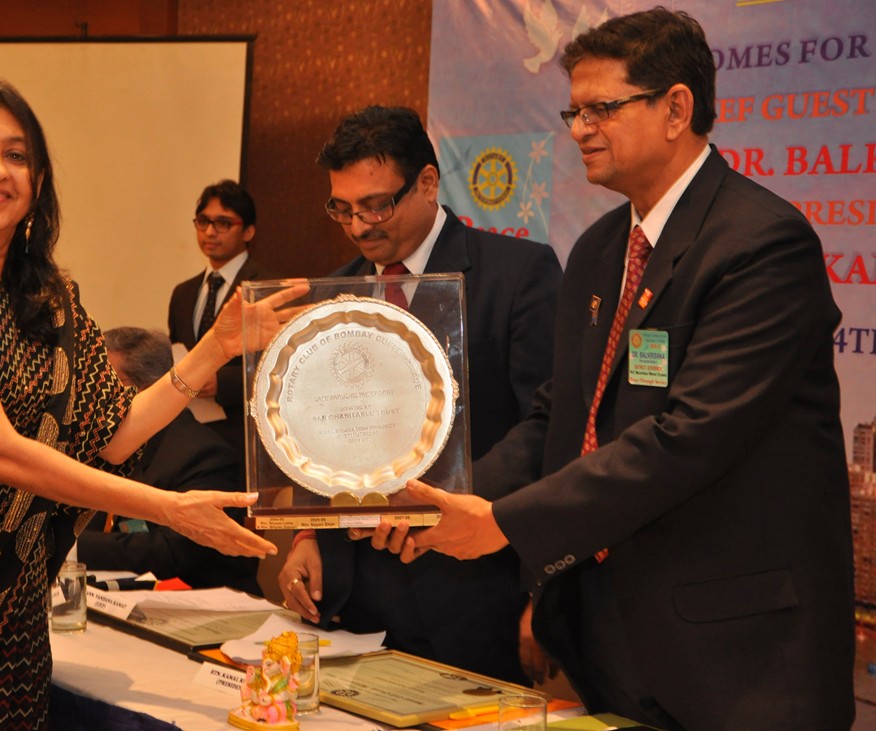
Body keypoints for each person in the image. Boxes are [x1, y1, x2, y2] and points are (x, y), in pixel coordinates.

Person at [0, 77, 305, 729]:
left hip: (7, 618)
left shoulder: (51, 300)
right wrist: (167, 508)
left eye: (17, 155)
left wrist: (214, 348)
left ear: (36, 184)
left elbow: (114, 436)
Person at [402, 9, 855, 730]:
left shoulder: (762, 244)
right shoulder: (599, 248)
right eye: (574, 112)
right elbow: (560, 415)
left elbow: (687, 438)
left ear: (676, 109)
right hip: (612, 635)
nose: (580, 129)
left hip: (738, 656)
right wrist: (446, 496)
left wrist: (502, 523)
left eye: (602, 109)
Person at [277, 105, 562, 684]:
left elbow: (545, 425)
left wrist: (438, 503)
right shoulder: (337, 292)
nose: (359, 227)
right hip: (352, 592)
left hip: (468, 587)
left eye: (376, 205)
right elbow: (321, 432)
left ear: (428, 183)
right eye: (342, 209)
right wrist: (308, 531)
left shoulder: (517, 274)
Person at [77, 326, 261, 595]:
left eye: (102, 386)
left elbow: (169, 553)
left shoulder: (204, 455)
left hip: (199, 605)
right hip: (113, 596)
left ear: (148, 390)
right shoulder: (97, 444)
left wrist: (69, 548)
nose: (89, 399)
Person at [168, 180, 278, 462]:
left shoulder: (266, 288)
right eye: (203, 221)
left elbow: (280, 365)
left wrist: (223, 383)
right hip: (191, 436)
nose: (209, 231)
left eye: (223, 223)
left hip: (246, 437)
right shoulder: (183, 293)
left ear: (248, 231)